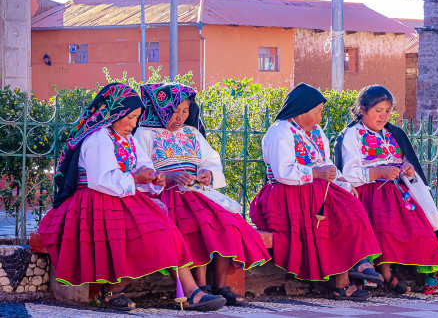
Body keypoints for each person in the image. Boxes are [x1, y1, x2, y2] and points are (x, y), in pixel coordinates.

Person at [38, 83, 226, 311]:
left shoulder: (129, 139)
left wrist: (154, 178)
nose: (133, 124)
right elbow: (101, 180)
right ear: (113, 113)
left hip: (125, 198)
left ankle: (191, 293)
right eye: (129, 117)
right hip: (95, 203)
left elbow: (143, 167)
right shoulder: (98, 139)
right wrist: (135, 179)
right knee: (137, 239)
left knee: (165, 231)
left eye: (137, 118)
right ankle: (113, 291)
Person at [134, 83, 271, 306]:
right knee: (191, 225)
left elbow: (211, 161)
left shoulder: (192, 133)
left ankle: (220, 285)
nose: (179, 117)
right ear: (160, 109)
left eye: (185, 111)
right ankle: (199, 288)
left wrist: (208, 173)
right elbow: (141, 170)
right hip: (167, 195)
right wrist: (170, 176)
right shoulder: (145, 134)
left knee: (229, 222)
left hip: (197, 193)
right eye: (174, 111)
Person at [249, 83, 383, 301]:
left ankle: (357, 267)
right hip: (287, 195)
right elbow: (283, 172)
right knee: (334, 219)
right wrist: (317, 174)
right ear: (302, 110)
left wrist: (344, 184)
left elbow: (327, 165)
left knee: (352, 208)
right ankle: (344, 281)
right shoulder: (280, 131)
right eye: (318, 111)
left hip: (316, 192)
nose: (320, 118)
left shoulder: (317, 133)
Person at [334, 84, 438, 295]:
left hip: (400, 194)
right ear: (362, 110)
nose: (383, 117)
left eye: (388, 111)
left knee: (424, 229)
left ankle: (429, 279)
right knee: (385, 229)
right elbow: (347, 172)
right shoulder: (352, 135)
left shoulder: (394, 133)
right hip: (369, 194)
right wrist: (378, 172)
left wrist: (407, 170)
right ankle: (385, 276)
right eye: (378, 111)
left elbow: (407, 163)